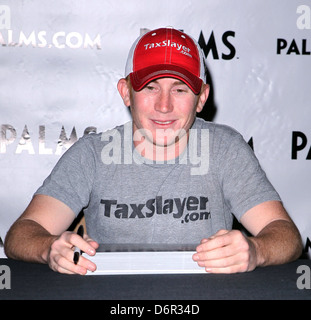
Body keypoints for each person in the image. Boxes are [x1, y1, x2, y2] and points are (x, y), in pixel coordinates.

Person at [4, 27, 302, 275]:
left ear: (201, 99)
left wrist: (256, 250)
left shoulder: (225, 149)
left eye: (180, 89)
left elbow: (285, 235)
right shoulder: (91, 154)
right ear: (125, 92)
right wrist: (49, 249)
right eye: (150, 87)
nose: (164, 105)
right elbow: (21, 234)